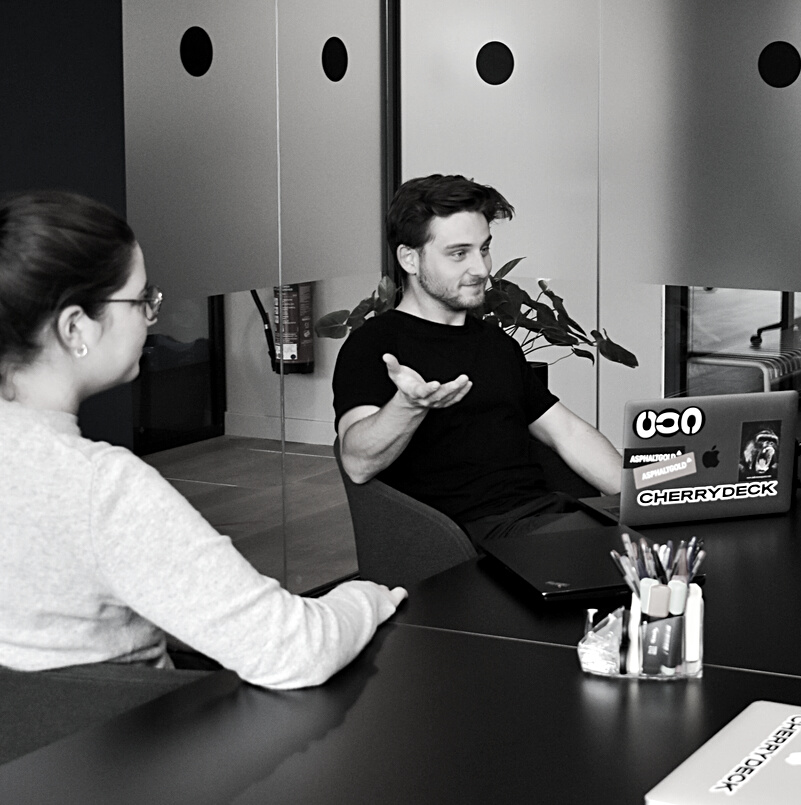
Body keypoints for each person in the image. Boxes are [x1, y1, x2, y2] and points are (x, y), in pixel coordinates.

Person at [0, 190, 402, 687]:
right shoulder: (99, 488)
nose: (153, 315)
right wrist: (366, 596)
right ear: (75, 327)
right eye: (141, 299)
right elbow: (295, 650)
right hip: (136, 727)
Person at [333, 174, 621, 547]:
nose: (482, 269)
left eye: (484, 249)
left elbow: (567, 432)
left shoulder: (496, 344)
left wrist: (645, 499)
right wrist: (409, 406)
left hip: (544, 521)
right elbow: (356, 464)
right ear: (410, 258)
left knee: (667, 546)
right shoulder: (374, 345)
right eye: (459, 253)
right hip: (468, 544)